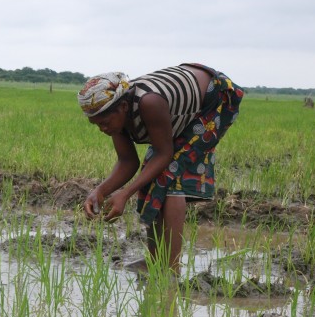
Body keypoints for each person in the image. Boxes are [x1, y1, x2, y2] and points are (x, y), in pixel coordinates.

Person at [77, 64, 243, 272]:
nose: (103, 129)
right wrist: (100, 191)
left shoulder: (150, 102)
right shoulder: (116, 116)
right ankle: (155, 261)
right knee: (151, 174)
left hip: (214, 99)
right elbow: (128, 162)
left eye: (105, 122)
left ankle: (170, 267)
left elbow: (164, 154)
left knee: (171, 176)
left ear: (123, 108)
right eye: (97, 125)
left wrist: (125, 194)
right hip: (182, 104)